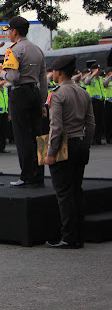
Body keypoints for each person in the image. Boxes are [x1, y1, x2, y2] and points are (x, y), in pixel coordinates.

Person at [43, 55, 95, 249]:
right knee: (76, 190)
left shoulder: (57, 94)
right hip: (80, 142)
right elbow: (91, 124)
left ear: (58, 72)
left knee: (64, 193)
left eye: (53, 71)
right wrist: (86, 144)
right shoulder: (83, 92)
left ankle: (68, 237)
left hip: (64, 145)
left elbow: (56, 127)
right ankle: (79, 235)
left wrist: (50, 152)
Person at [0, 16, 47, 187]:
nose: (9, 34)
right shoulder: (37, 50)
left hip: (20, 94)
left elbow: (14, 77)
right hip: (35, 92)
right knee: (38, 135)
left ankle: (26, 175)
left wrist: (1, 72)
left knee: (23, 136)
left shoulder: (13, 50)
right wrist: (43, 103)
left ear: (15, 32)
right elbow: (43, 80)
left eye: (9, 31)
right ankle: (39, 175)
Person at [82, 63, 106, 145]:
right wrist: (93, 74)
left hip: (100, 101)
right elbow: (86, 82)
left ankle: (98, 139)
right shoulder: (90, 78)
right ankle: (92, 139)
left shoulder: (100, 79)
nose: (99, 71)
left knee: (100, 120)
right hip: (93, 101)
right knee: (93, 120)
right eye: (97, 70)